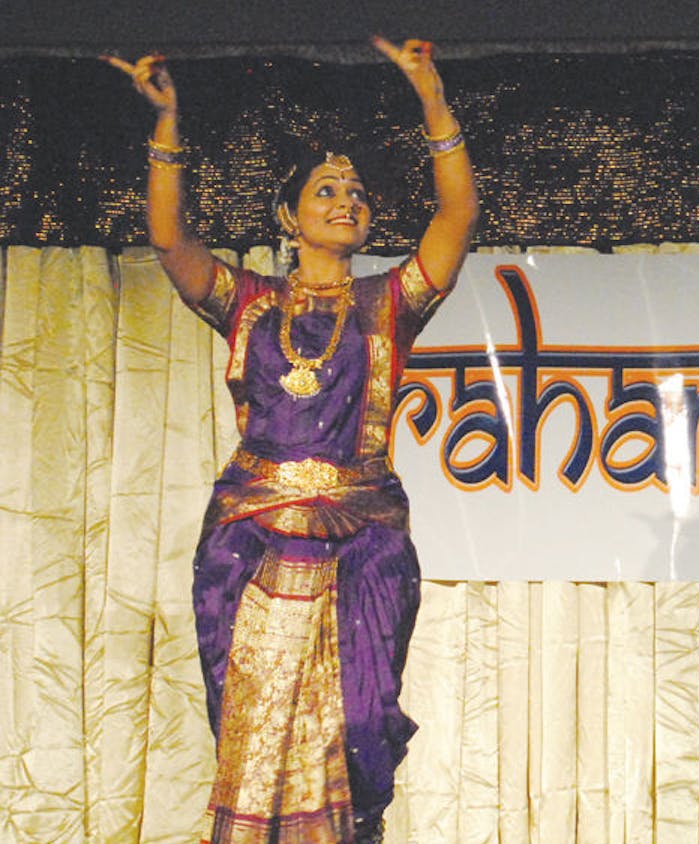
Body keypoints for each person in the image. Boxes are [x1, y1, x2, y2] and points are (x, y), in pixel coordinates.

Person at [107, 36, 478, 843]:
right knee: (256, 723)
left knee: (357, 724)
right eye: (325, 190)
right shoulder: (247, 304)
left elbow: (456, 219)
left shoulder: (389, 304)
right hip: (255, 547)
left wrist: (433, 101)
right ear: (288, 215)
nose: (347, 201)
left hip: (361, 546)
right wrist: (168, 125)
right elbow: (171, 243)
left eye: (356, 192)